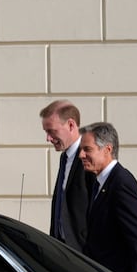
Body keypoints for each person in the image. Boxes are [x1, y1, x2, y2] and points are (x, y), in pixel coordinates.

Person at [76, 123, 137, 272]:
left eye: (87, 149)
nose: (81, 155)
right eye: (81, 149)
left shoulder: (121, 183)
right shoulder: (97, 183)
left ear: (107, 149)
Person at [40, 100, 90, 252]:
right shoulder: (65, 157)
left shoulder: (90, 157)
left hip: (85, 255)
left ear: (71, 125)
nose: (48, 138)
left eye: (52, 131)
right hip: (62, 251)